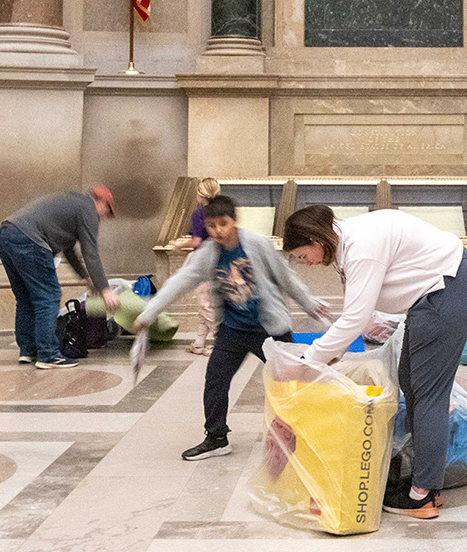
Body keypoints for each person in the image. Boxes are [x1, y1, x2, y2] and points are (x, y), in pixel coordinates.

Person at [283, 205, 467, 520]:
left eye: (300, 255)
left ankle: (421, 495)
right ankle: (426, 483)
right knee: (412, 384)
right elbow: (362, 310)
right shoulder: (349, 243)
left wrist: (308, 361)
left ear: (315, 240)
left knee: (428, 393)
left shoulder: (360, 247)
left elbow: (353, 319)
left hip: (449, 289)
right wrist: (329, 354)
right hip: (440, 291)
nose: (303, 262)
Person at [135, 194, 329, 461]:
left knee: (290, 382)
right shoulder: (208, 254)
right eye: (212, 226)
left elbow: (286, 277)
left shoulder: (258, 246)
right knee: (215, 380)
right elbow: (180, 282)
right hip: (233, 330)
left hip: (269, 329)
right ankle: (216, 437)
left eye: (223, 224)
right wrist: (148, 313)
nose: (218, 231)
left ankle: (305, 432)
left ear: (234, 221)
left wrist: (309, 303)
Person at [0, 187, 121, 369]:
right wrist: (105, 289)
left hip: (6, 233)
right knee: (49, 296)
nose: (103, 219)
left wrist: (86, 277)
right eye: (106, 213)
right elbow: (90, 252)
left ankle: (28, 351)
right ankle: (48, 355)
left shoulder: (72, 203)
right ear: (101, 202)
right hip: (31, 239)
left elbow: (69, 250)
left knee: (25, 298)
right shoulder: (88, 209)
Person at [170, 177, 221, 355]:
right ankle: (199, 342)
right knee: (207, 303)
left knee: (205, 304)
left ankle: (219, 343)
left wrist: (177, 245)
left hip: (204, 263)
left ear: (202, 193)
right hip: (221, 261)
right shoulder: (223, 213)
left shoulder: (199, 214)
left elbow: (196, 240)